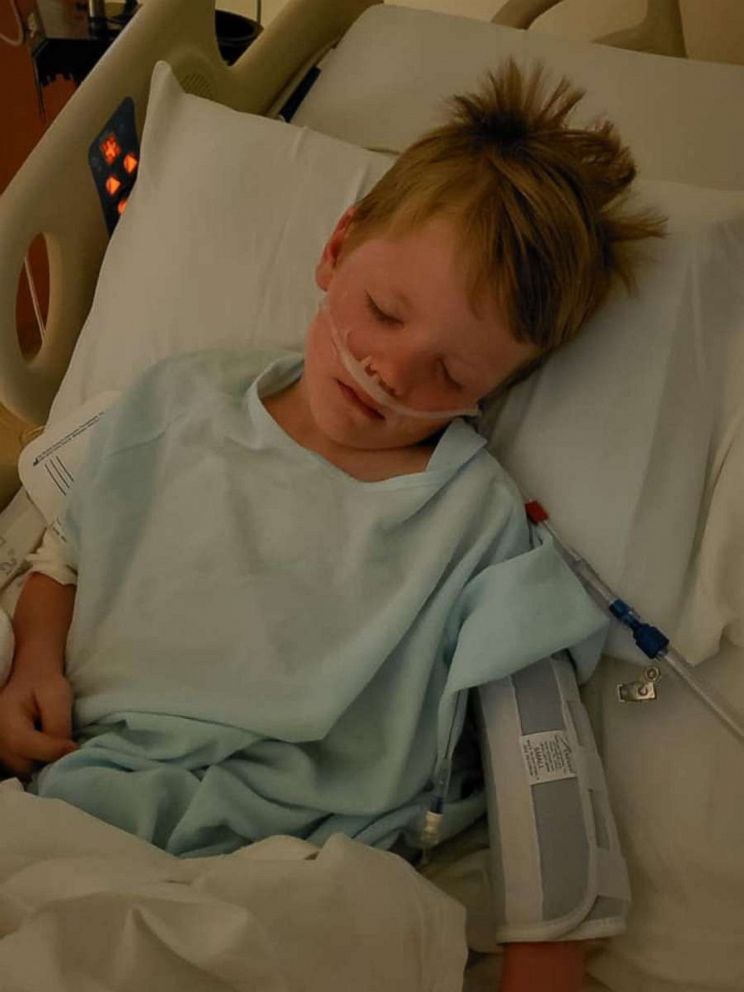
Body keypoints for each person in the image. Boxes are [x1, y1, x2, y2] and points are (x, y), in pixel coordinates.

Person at [0, 59, 664, 990]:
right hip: (82, 812)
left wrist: (544, 957)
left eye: (452, 377)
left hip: (300, 869)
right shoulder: (175, 404)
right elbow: (65, 548)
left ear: (496, 389)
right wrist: (34, 664)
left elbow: (536, 738)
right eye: (384, 312)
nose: (394, 373)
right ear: (337, 247)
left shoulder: (470, 523)